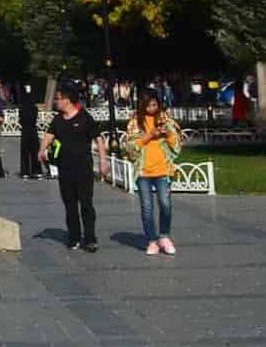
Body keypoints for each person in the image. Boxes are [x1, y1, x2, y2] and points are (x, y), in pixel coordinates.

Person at [40, 80, 108, 252]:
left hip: (83, 168)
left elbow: (98, 139)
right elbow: (49, 135)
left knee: (86, 203)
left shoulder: (84, 117)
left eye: (58, 98)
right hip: (65, 169)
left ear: (67, 100)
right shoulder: (58, 119)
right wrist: (42, 150)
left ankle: (90, 238)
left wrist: (103, 160)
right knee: (69, 204)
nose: (56, 101)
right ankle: (74, 237)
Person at [123, 93, 184, 256]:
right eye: (149, 106)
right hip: (144, 171)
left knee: (165, 204)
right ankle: (151, 240)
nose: (152, 109)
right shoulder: (135, 122)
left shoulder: (165, 120)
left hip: (162, 169)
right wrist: (149, 136)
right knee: (147, 207)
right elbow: (130, 147)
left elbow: (177, 143)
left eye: (155, 105)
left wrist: (167, 134)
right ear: (143, 106)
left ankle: (164, 236)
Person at [16, 82, 42, 179]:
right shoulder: (34, 108)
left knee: (25, 151)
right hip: (33, 129)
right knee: (35, 150)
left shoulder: (22, 108)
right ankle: (37, 170)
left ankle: (25, 171)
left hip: (25, 130)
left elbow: (20, 119)